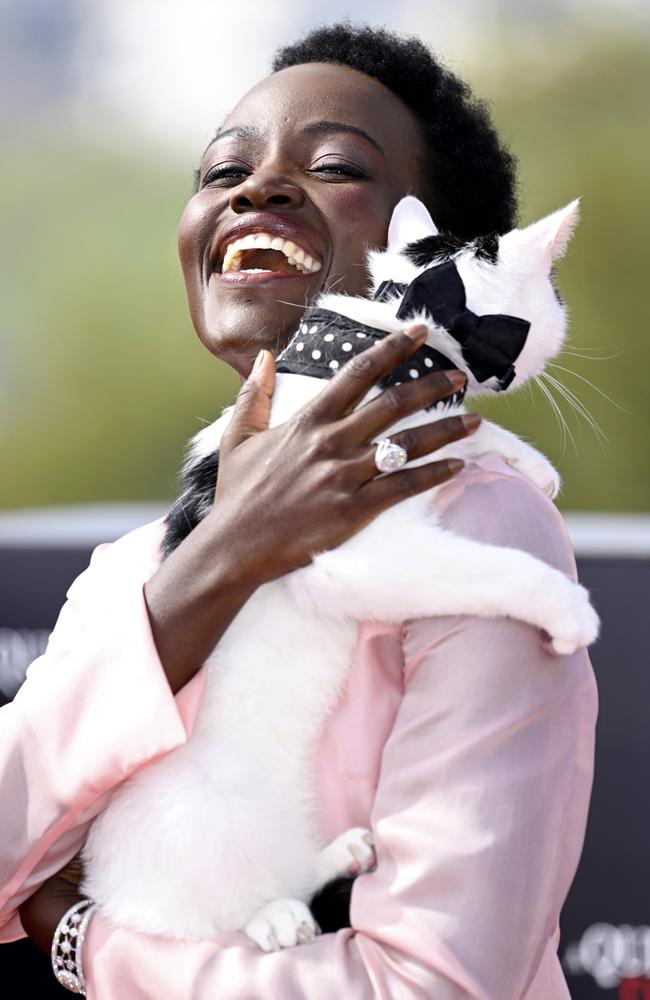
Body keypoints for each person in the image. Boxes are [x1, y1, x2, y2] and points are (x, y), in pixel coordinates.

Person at [0, 23, 597, 1000]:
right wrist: (220, 558)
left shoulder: (478, 523)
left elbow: (431, 985)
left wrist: (89, 945)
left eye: (331, 165)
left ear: (436, 254)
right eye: (219, 170)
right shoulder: (128, 574)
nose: (255, 187)